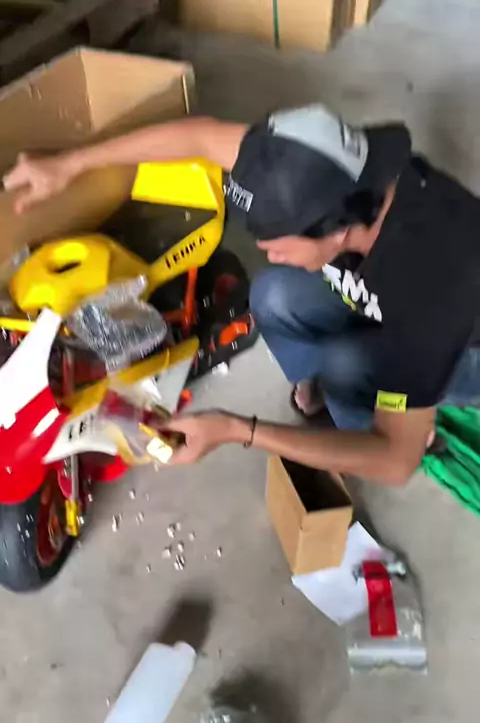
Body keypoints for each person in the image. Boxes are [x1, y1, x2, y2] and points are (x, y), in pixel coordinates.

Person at [4, 104, 480, 485]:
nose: (269, 253)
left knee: (346, 366)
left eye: (279, 244)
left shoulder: (429, 290)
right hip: (382, 293)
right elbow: (199, 136)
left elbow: (396, 462)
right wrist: (68, 164)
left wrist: (237, 429)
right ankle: (323, 391)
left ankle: (363, 426)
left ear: (335, 231)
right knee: (272, 294)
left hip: (462, 345)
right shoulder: (318, 169)